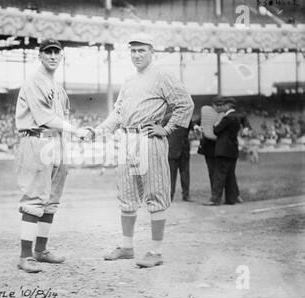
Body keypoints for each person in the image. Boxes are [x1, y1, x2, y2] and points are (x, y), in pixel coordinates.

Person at [90, 33, 194, 268]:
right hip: (127, 139)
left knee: (156, 194)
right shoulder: (128, 80)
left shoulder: (162, 75)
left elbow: (185, 103)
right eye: (133, 51)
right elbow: (117, 113)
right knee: (126, 196)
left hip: (149, 139)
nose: (136, 55)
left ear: (151, 52)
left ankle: (156, 251)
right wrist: (98, 131)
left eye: (141, 50)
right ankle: (127, 247)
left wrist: (166, 129)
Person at [14, 39, 90, 273]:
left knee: (52, 199)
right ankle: (25, 256)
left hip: (56, 141)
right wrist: (76, 130)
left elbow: (61, 117)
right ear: (40, 55)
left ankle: (40, 250)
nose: (53, 56)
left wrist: (67, 140)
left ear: (62, 56)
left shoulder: (57, 87)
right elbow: (45, 118)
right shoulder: (34, 81)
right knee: (34, 198)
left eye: (57, 52)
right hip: (37, 139)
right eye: (48, 52)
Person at [204, 97, 242, 206]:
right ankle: (231, 199)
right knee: (230, 175)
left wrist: (216, 124)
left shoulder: (227, 118)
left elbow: (216, 130)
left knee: (219, 176)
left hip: (223, 150)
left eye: (224, 105)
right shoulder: (237, 117)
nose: (223, 106)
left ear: (229, 105)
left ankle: (215, 199)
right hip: (233, 150)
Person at [163, 112, 193, 202]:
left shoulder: (187, 117)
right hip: (172, 150)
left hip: (182, 150)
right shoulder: (167, 118)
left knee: (184, 174)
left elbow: (192, 124)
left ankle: (185, 195)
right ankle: (171, 196)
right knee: (172, 175)